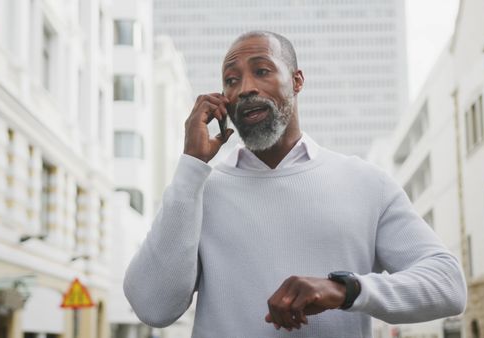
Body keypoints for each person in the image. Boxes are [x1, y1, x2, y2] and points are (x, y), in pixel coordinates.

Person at [124, 31, 466, 337]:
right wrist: (191, 165)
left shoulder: (365, 182)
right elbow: (153, 308)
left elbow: (448, 285)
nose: (245, 89)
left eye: (261, 71)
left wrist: (343, 290)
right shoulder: (198, 191)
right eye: (231, 80)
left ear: (297, 80)